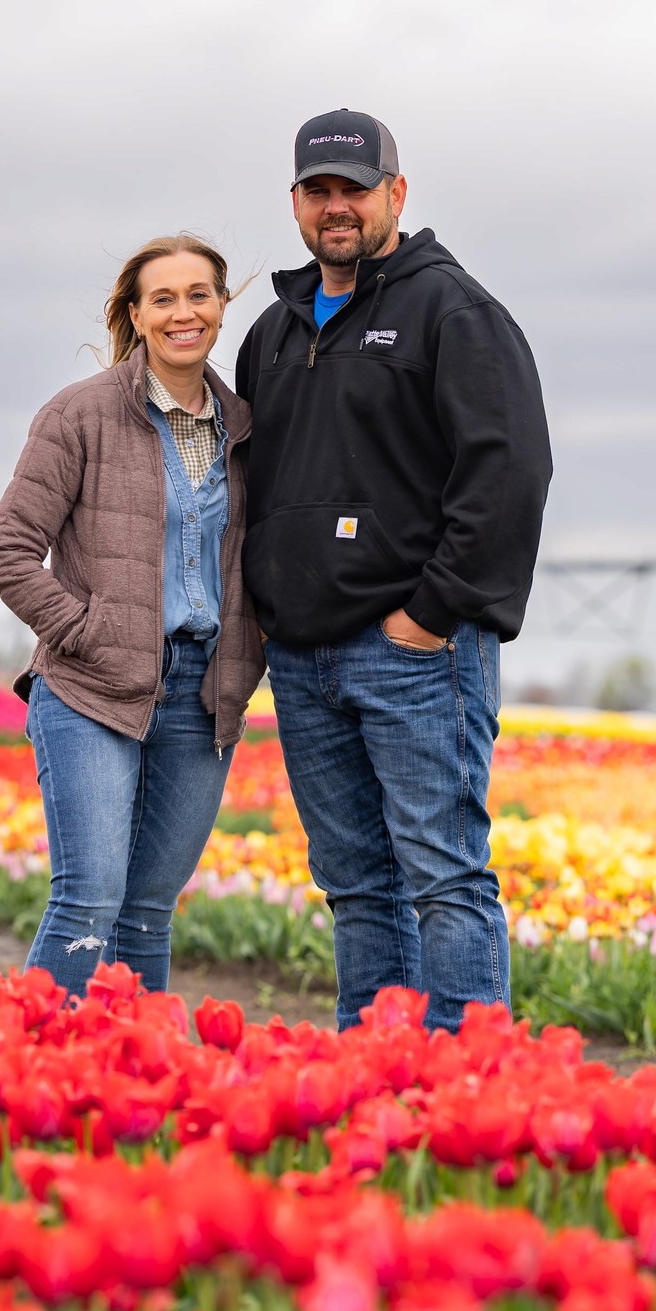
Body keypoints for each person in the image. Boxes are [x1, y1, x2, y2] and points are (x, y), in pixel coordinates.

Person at [236, 110, 552, 1032]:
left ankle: (464, 1079)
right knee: (353, 882)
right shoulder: (276, 331)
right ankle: (372, 1066)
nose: (337, 208)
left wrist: (432, 613)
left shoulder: (452, 311)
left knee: (443, 872)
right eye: (317, 190)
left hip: (413, 651)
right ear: (295, 202)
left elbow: (509, 472)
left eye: (355, 189)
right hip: (304, 655)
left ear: (396, 194)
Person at [0, 235, 266, 997]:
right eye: (164, 298)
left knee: (146, 913)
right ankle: (35, 1071)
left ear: (222, 306)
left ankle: (130, 1084)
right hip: (90, 692)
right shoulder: (80, 415)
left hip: (203, 698)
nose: (184, 313)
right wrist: (90, 633)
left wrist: (252, 652)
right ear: (136, 315)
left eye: (199, 295)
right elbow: (7, 552)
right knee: (89, 898)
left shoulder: (246, 430)